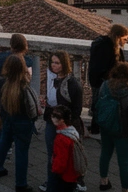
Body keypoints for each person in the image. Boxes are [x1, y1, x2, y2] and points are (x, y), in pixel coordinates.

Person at [0, 54, 40, 191]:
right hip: (23, 122)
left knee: (3, 143)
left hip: (7, 118)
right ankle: (21, 184)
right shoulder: (24, 85)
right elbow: (29, 108)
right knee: (22, 152)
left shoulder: (1, 81)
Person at [0, 34, 39, 158]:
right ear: (25, 46)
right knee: (8, 125)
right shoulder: (27, 61)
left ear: (11, 45)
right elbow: (27, 80)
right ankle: (0, 150)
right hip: (14, 96)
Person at [42, 51, 85, 192]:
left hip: (66, 126)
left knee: (68, 157)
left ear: (64, 64)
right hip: (51, 121)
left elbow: (76, 110)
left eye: (57, 63)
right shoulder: (53, 79)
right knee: (52, 155)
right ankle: (52, 181)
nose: (54, 66)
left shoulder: (73, 84)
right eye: (52, 62)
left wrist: (64, 123)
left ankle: (69, 183)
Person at [95, 62, 128, 192]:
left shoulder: (105, 86)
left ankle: (103, 182)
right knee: (123, 163)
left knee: (105, 154)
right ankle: (125, 189)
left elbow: (98, 104)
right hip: (122, 132)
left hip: (106, 127)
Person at [87, 24, 128, 135]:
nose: (126, 41)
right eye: (125, 39)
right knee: (100, 104)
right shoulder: (109, 48)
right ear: (118, 37)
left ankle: (96, 127)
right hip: (102, 81)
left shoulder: (101, 44)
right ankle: (97, 127)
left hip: (97, 79)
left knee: (98, 102)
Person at [48, 105, 84, 192]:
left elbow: (61, 160)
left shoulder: (61, 138)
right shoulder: (72, 132)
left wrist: (54, 169)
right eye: (52, 115)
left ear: (62, 120)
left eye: (56, 116)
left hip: (65, 175)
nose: (52, 117)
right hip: (73, 173)